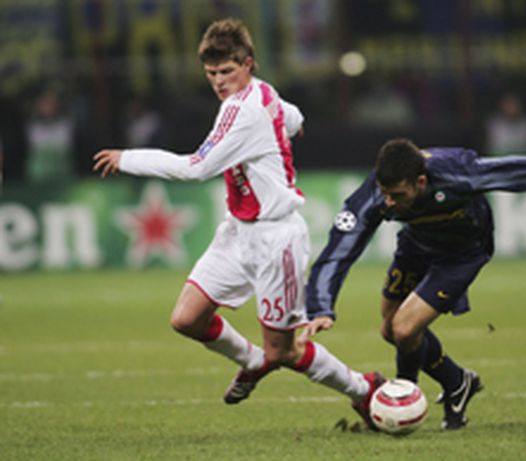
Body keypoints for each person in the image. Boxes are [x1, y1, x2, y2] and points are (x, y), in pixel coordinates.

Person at [93, 18, 384, 428]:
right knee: (187, 319)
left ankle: (364, 389)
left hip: (275, 239)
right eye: (211, 73)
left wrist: (129, 158)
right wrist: (291, 130)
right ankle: (253, 361)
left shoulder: (240, 110)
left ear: (248, 63)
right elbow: (294, 116)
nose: (218, 81)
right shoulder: (264, 93)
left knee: (286, 350)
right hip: (237, 231)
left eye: (227, 71)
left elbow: (196, 168)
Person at [301, 138, 526, 430]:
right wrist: (320, 305)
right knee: (389, 330)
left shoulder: (456, 172)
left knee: (405, 330)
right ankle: (457, 382)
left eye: (397, 195)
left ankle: (403, 402)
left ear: (421, 183)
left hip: (461, 253)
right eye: (384, 193)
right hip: (416, 245)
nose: (388, 203)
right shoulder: (376, 195)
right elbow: (341, 248)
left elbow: (520, 172)